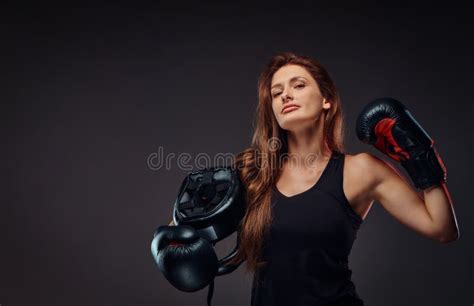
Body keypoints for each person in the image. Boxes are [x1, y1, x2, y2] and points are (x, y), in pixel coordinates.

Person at [166, 52, 459, 305]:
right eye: (276, 92)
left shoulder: (359, 170)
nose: (286, 96)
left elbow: (442, 228)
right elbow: (177, 233)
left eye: (298, 85)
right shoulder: (251, 173)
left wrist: (420, 157)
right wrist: (180, 236)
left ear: (326, 100)